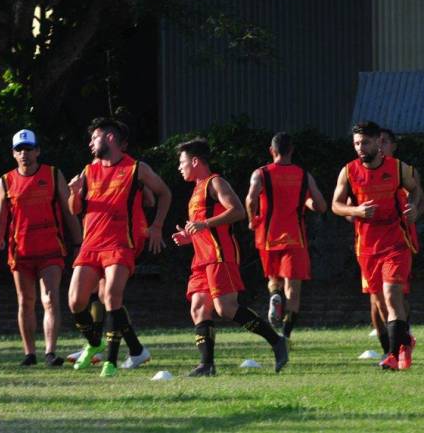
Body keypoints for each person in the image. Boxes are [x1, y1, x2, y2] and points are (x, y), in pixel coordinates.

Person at [172, 138, 288, 376]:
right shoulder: (196, 189)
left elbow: (237, 211)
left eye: (182, 162)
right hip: (201, 258)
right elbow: (203, 226)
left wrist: (203, 224)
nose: (179, 167)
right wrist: (189, 236)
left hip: (219, 254)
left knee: (225, 308)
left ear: (195, 161)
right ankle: (206, 365)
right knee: (198, 307)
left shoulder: (215, 182)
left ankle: (277, 341)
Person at [67, 118, 172, 377]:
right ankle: (96, 344)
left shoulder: (136, 168)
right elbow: (74, 209)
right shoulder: (88, 170)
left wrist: (157, 226)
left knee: (112, 297)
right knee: (75, 301)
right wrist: (74, 193)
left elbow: (164, 193)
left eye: (95, 137)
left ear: (110, 138)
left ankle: (111, 362)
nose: (90, 143)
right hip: (91, 244)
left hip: (120, 243)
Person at [0, 129, 82, 366]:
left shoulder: (53, 174)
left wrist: (80, 243)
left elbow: (69, 211)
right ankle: (29, 353)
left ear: (37, 151)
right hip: (20, 251)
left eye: (28, 149)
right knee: (25, 301)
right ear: (13, 154)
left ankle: (50, 352)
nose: (24, 154)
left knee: (50, 298)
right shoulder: (5, 182)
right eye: (19, 150)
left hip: (51, 249)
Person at [332, 121, 419, 370]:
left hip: (396, 242)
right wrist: (356, 210)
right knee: (380, 303)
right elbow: (336, 205)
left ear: (378, 142)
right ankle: (404, 342)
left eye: (365, 143)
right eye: (357, 143)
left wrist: (413, 207)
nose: (360, 148)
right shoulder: (348, 171)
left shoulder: (398, 168)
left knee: (392, 295)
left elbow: (415, 190)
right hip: (367, 246)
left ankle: (391, 355)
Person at [245, 132, 326, 340]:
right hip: (295, 237)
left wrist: (252, 219)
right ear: (292, 150)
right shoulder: (304, 175)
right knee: (293, 288)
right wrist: (307, 202)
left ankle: (274, 296)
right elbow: (321, 205)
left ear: (272, 151)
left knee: (273, 278)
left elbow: (250, 199)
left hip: (268, 236)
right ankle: (286, 335)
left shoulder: (261, 173)